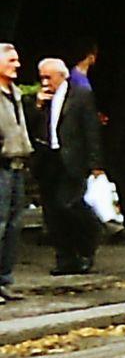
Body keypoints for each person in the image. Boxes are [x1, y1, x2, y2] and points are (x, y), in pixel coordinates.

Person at [32, 58, 104, 274]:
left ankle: (87, 244)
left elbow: (91, 130)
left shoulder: (80, 96)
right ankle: (65, 258)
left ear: (62, 76)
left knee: (69, 204)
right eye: (42, 77)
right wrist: (38, 105)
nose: (45, 82)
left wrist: (95, 163)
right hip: (49, 160)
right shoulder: (42, 99)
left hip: (72, 159)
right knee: (53, 213)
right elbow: (31, 126)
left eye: (49, 77)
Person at [0, 44, 33, 301]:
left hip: (17, 165)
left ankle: (4, 279)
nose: (17, 65)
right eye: (11, 60)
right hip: (2, 166)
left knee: (13, 224)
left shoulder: (16, 93)